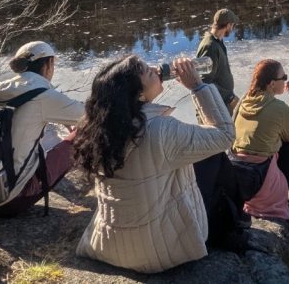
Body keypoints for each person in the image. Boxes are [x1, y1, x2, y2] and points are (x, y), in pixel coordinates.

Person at [73, 55, 236, 274]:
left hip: (108, 243)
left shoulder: (99, 126)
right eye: (148, 71)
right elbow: (225, 135)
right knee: (215, 156)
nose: (156, 69)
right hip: (155, 252)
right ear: (138, 94)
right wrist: (198, 86)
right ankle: (239, 222)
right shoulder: (160, 129)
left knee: (201, 151)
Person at [0, 40, 84, 216]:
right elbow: (92, 115)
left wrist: (61, 116)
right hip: (12, 199)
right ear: (48, 64)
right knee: (84, 131)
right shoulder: (43, 95)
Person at [232, 59, 289, 219]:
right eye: (283, 77)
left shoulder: (243, 101)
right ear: (272, 84)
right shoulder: (278, 108)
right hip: (262, 181)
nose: (286, 80)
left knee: (278, 141)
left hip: (238, 174)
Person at [197, 8, 239, 114]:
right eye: (233, 25)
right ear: (228, 25)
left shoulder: (217, 42)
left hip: (223, 102)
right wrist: (229, 97)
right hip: (217, 108)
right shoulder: (210, 46)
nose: (233, 29)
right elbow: (204, 83)